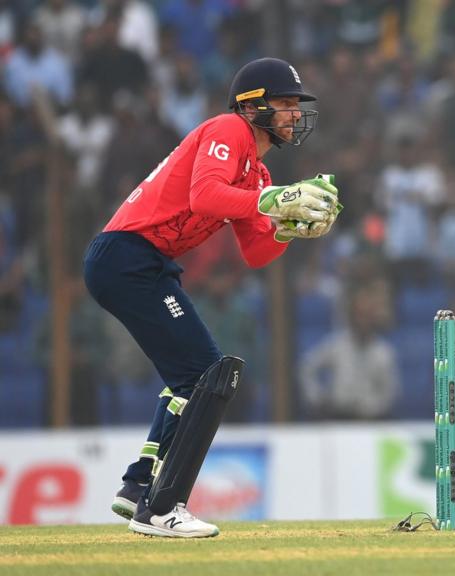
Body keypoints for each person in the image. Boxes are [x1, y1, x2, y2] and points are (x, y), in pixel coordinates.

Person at [84, 57, 341, 538]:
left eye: (294, 105)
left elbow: (257, 252)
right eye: (284, 103)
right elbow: (205, 196)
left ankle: (139, 486)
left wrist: (291, 227)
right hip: (125, 256)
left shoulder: (257, 173)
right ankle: (161, 508)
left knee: (195, 377)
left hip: (144, 264)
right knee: (205, 373)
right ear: (252, 106)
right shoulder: (229, 129)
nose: (293, 114)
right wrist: (272, 201)